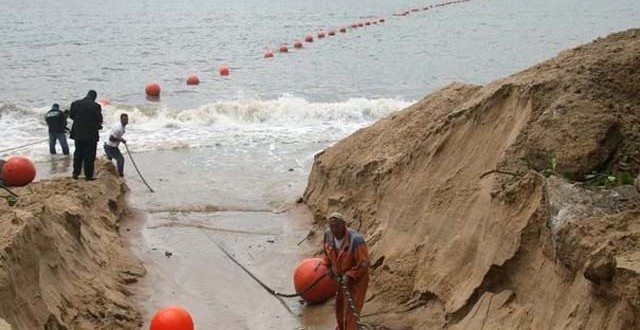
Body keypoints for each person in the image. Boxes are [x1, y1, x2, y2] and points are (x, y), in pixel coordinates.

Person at [323, 212, 370, 330]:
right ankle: (341, 327)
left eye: (337, 226)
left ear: (344, 225)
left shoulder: (356, 240)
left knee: (351, 311)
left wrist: (350, 275)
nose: (334, 230)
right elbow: (327, 253)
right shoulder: (328, 235)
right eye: (332, 226)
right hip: (340, 279)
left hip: (357, 281)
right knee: (339, 306)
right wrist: (328, 267)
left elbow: (364, 264)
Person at [69, 90, 103, 181]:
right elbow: (99, 119)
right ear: (94, 97)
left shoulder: (75, 103)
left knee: (78, 154)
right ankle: (88, 176)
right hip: (91, 134)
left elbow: (71, 116)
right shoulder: (96, 106)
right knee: (90, 156)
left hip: (78, 133)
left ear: (86, 94)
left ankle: (75, 173)